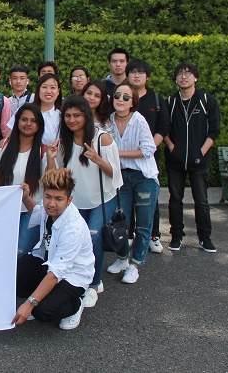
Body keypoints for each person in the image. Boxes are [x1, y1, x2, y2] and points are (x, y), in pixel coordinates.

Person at [47, 94, 122, 309]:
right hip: (75, 202)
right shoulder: (64, 142)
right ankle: (71, 280)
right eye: (68, 116)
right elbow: (55, 178)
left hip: (101, 198)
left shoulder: (102, 139)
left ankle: (94, 283)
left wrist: (98, 159)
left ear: (86, 116)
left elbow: (116, 175)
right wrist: (51, 158)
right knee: (74, 241)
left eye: (77, 115)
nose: (72, 120)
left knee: (94, 237)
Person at [12, 168, 94, 330]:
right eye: (47, 197)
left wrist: (29, 305)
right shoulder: (49, 209)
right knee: (15, 277)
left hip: (72, 276)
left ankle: (76, 304)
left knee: (43, 312)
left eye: (58, 199)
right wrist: (26, 198)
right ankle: (47, 295)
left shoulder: (73, 228)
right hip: (47, 261)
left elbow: (57, 273)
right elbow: (37, 211)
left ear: (69, 200)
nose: (51, 204)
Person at [105, 83, 159, 284]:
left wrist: (118, 153)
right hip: (121, 178)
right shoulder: (109, 121)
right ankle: (122, 259)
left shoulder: (139, 120)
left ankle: (135, 264)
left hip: (143, 177)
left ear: (133, 102)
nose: (121, 99)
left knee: (144, 224)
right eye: (117, 95)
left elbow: (148, 149)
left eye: (126, 97)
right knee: (121, 222)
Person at [165, 62, 220, 253]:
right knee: (175, 199)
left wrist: (201, 152)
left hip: (200, 161)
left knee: (201, 200)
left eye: (188, 73)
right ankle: (176, 236)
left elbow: (214, 130)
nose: (184, 76)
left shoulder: (207, 100)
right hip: (175, 161)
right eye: (180, 74)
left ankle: (205, 238)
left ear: (195, 77)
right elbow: (163, 128)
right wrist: (172, 147)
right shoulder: (171, 102)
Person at [0, 104, 47, 257]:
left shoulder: (44, 150)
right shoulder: (3, 145)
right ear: (17, 122)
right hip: (6, 209)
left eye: (33, 121)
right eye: (24, 119)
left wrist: (50, 159)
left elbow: (49, 182)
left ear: (39, 125)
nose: (28, 124)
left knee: (19, 252)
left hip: (31, 211)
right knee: (1, 250)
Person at [126, 60, 169, 253]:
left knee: (150, 199)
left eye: (141, 72)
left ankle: (154, 234)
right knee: (126, 201)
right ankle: (128, 235)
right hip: (125, 160)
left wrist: (150, 148)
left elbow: (163, 127)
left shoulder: (156, 100)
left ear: (147, 77)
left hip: (148, 158)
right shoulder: (123, 97)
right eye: (133, 72)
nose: (137, 75)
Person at [5, 73, 61, 145]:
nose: (48, 91)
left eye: (53, 88)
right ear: (38, 89)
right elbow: (9, 137)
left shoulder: (60, 117)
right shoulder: (23, 110)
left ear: (58, 91)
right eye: (44, 87)